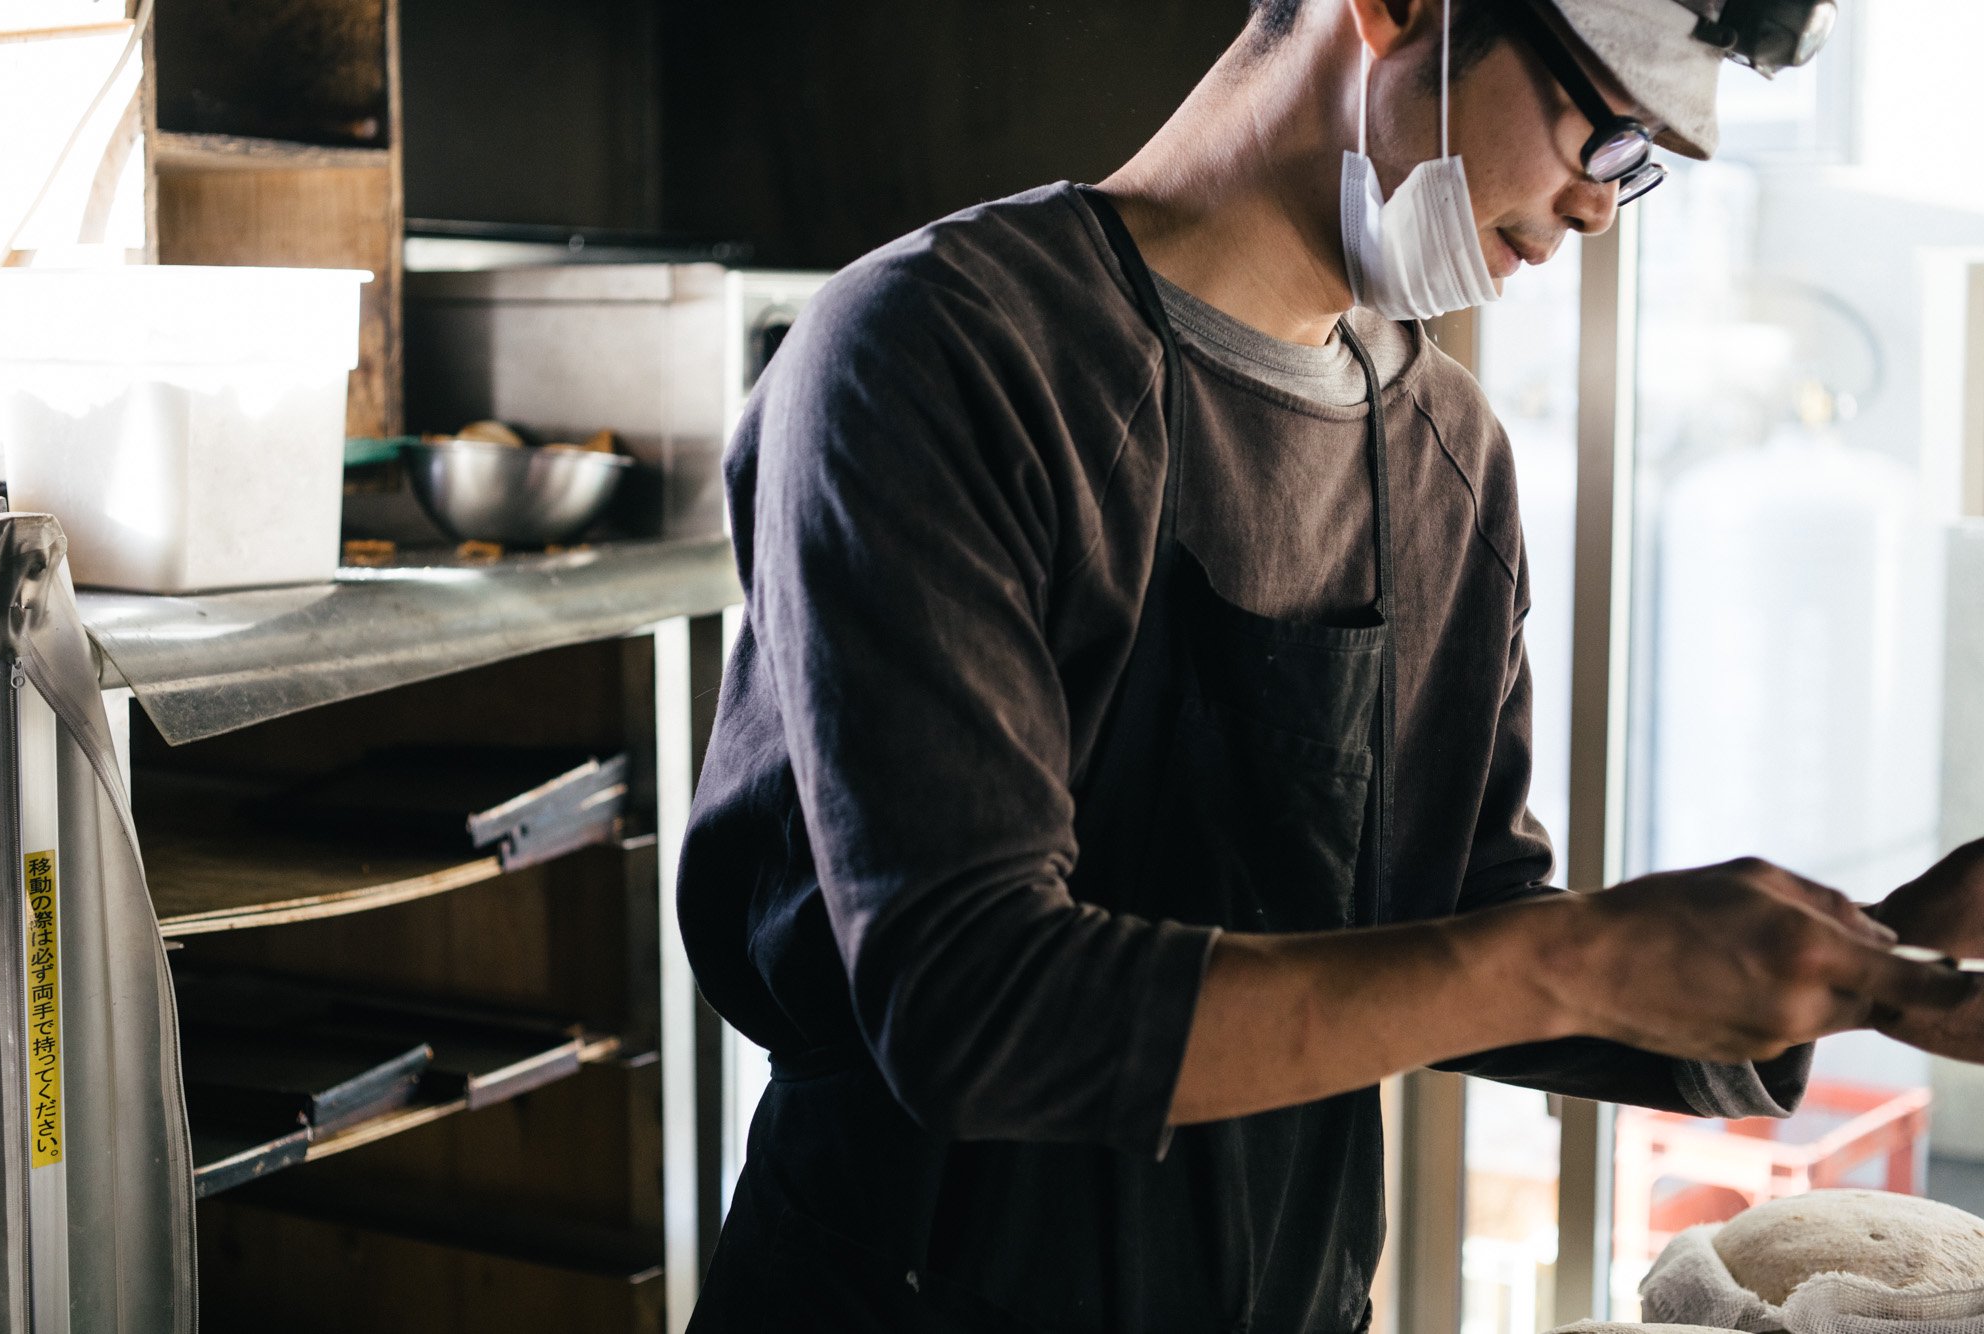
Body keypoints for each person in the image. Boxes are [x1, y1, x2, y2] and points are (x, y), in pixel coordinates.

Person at [676, 0, 1984, 1329]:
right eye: (1603, 128)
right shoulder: (940, 351)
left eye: (1640, 163)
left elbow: (1457, 922)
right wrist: (1578, 953)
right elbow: (978, 1001)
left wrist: (1881, 957)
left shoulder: (1446, 456)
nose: (1601, 211)